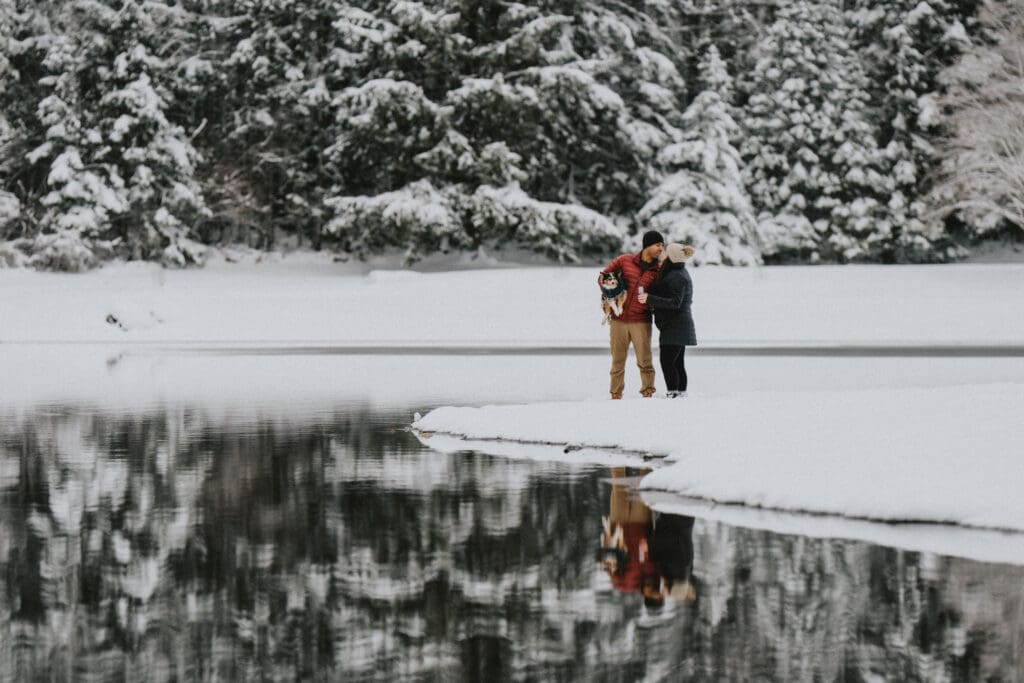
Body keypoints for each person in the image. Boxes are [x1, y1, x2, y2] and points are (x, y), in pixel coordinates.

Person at [598, 231, 664, 399]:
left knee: (645, 361)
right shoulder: (624, 260)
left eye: (662, 245)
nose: (661, 248)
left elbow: (663, 294)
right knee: (617, 361)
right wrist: (609, 293)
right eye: (658, 245)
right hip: (618, 320)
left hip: (641, 321)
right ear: (647, 245)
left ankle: (648, 392)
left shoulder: (659, 269)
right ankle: (615, 394)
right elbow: (601, 277)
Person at [638, 243, 696, 397]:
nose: (662, 255)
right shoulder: (677, 272)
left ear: (672, 257)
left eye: (666, 253)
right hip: (677, 325)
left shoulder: (678, 276)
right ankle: (680, 393)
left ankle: (673, 393)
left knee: (667, 362)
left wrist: (649, 298)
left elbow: (674, 302)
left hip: (676, 325)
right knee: (677, 363)